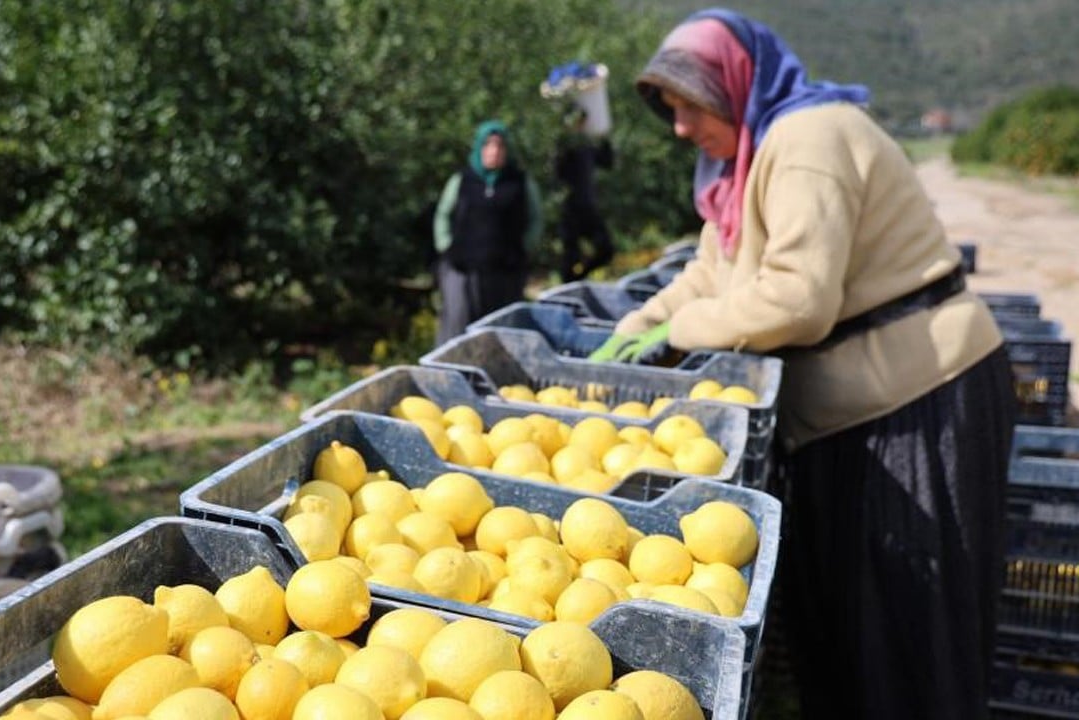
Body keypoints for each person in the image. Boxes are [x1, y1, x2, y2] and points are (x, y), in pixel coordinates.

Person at [592, 9, 1015, 720]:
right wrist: (632, 329)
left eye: (690, 106)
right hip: (850, 412)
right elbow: (710, 273)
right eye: (672, 111)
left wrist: (679, 332)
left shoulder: (808, 139)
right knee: (856, 630)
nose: (680, 129)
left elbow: (800, 299)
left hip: (916, 398)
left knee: (910, 622)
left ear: (731, 86)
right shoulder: (749, 160)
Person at [432, 120, 543, 344]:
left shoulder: (519, 182)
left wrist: (525, 247)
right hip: (463, 269)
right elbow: (442, 214)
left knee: (500, 330)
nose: (494, 151)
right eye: (488, 145)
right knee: (456, 328)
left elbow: (536, 218)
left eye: (500, 146)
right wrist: (446, 246)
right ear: (479, 148)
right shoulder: (462, 180)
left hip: (505, 271)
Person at [554, 104, 615, 282]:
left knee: (606, 249)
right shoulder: (565, 148)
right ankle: (568, 289)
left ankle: (580, 278)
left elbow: (607, 162)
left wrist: (604, 137)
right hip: (569, 211)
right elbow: (557, 173)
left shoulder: (586, 148)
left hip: (588, 207)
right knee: (569, 258)